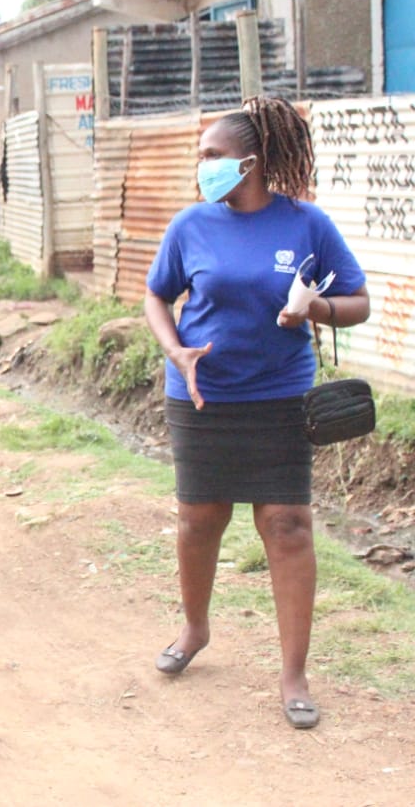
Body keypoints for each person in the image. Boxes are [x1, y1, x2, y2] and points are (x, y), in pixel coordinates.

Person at [144, 96, 369, 730]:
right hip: (202, 394)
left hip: (280, 395)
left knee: (288, 525)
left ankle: (294, 674)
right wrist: (175, 349)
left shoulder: (307, 225)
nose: (203, 166)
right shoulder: (190, 225)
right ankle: (194, 629)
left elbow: (358, 301)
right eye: (200, 156)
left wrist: (314, 311)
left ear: (254, 160)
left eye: (212, 156)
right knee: (199, 520)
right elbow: (156, 296)